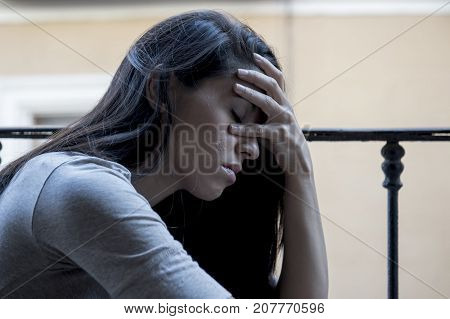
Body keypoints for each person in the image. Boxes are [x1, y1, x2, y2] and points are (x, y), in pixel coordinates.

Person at [0, 9, 328, 299]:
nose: (252, 147)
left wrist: (300, 170)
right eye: (237, 117)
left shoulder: (170, 215)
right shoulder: (78, 187)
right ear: (159, 89)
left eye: (259, 134)